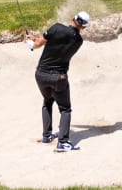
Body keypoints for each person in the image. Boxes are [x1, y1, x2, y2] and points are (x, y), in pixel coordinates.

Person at [25, 11, 89, 152]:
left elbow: (39, 44)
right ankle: (63, 142)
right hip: (58, 78)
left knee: (47, 102)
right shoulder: (79, 41)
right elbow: (58, 42)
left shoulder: (56, 27)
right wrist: (35, 39)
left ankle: (47, 136)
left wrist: (31, 42)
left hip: (41, 74)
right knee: (65, 109)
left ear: (73, 18)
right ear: (83, 27)